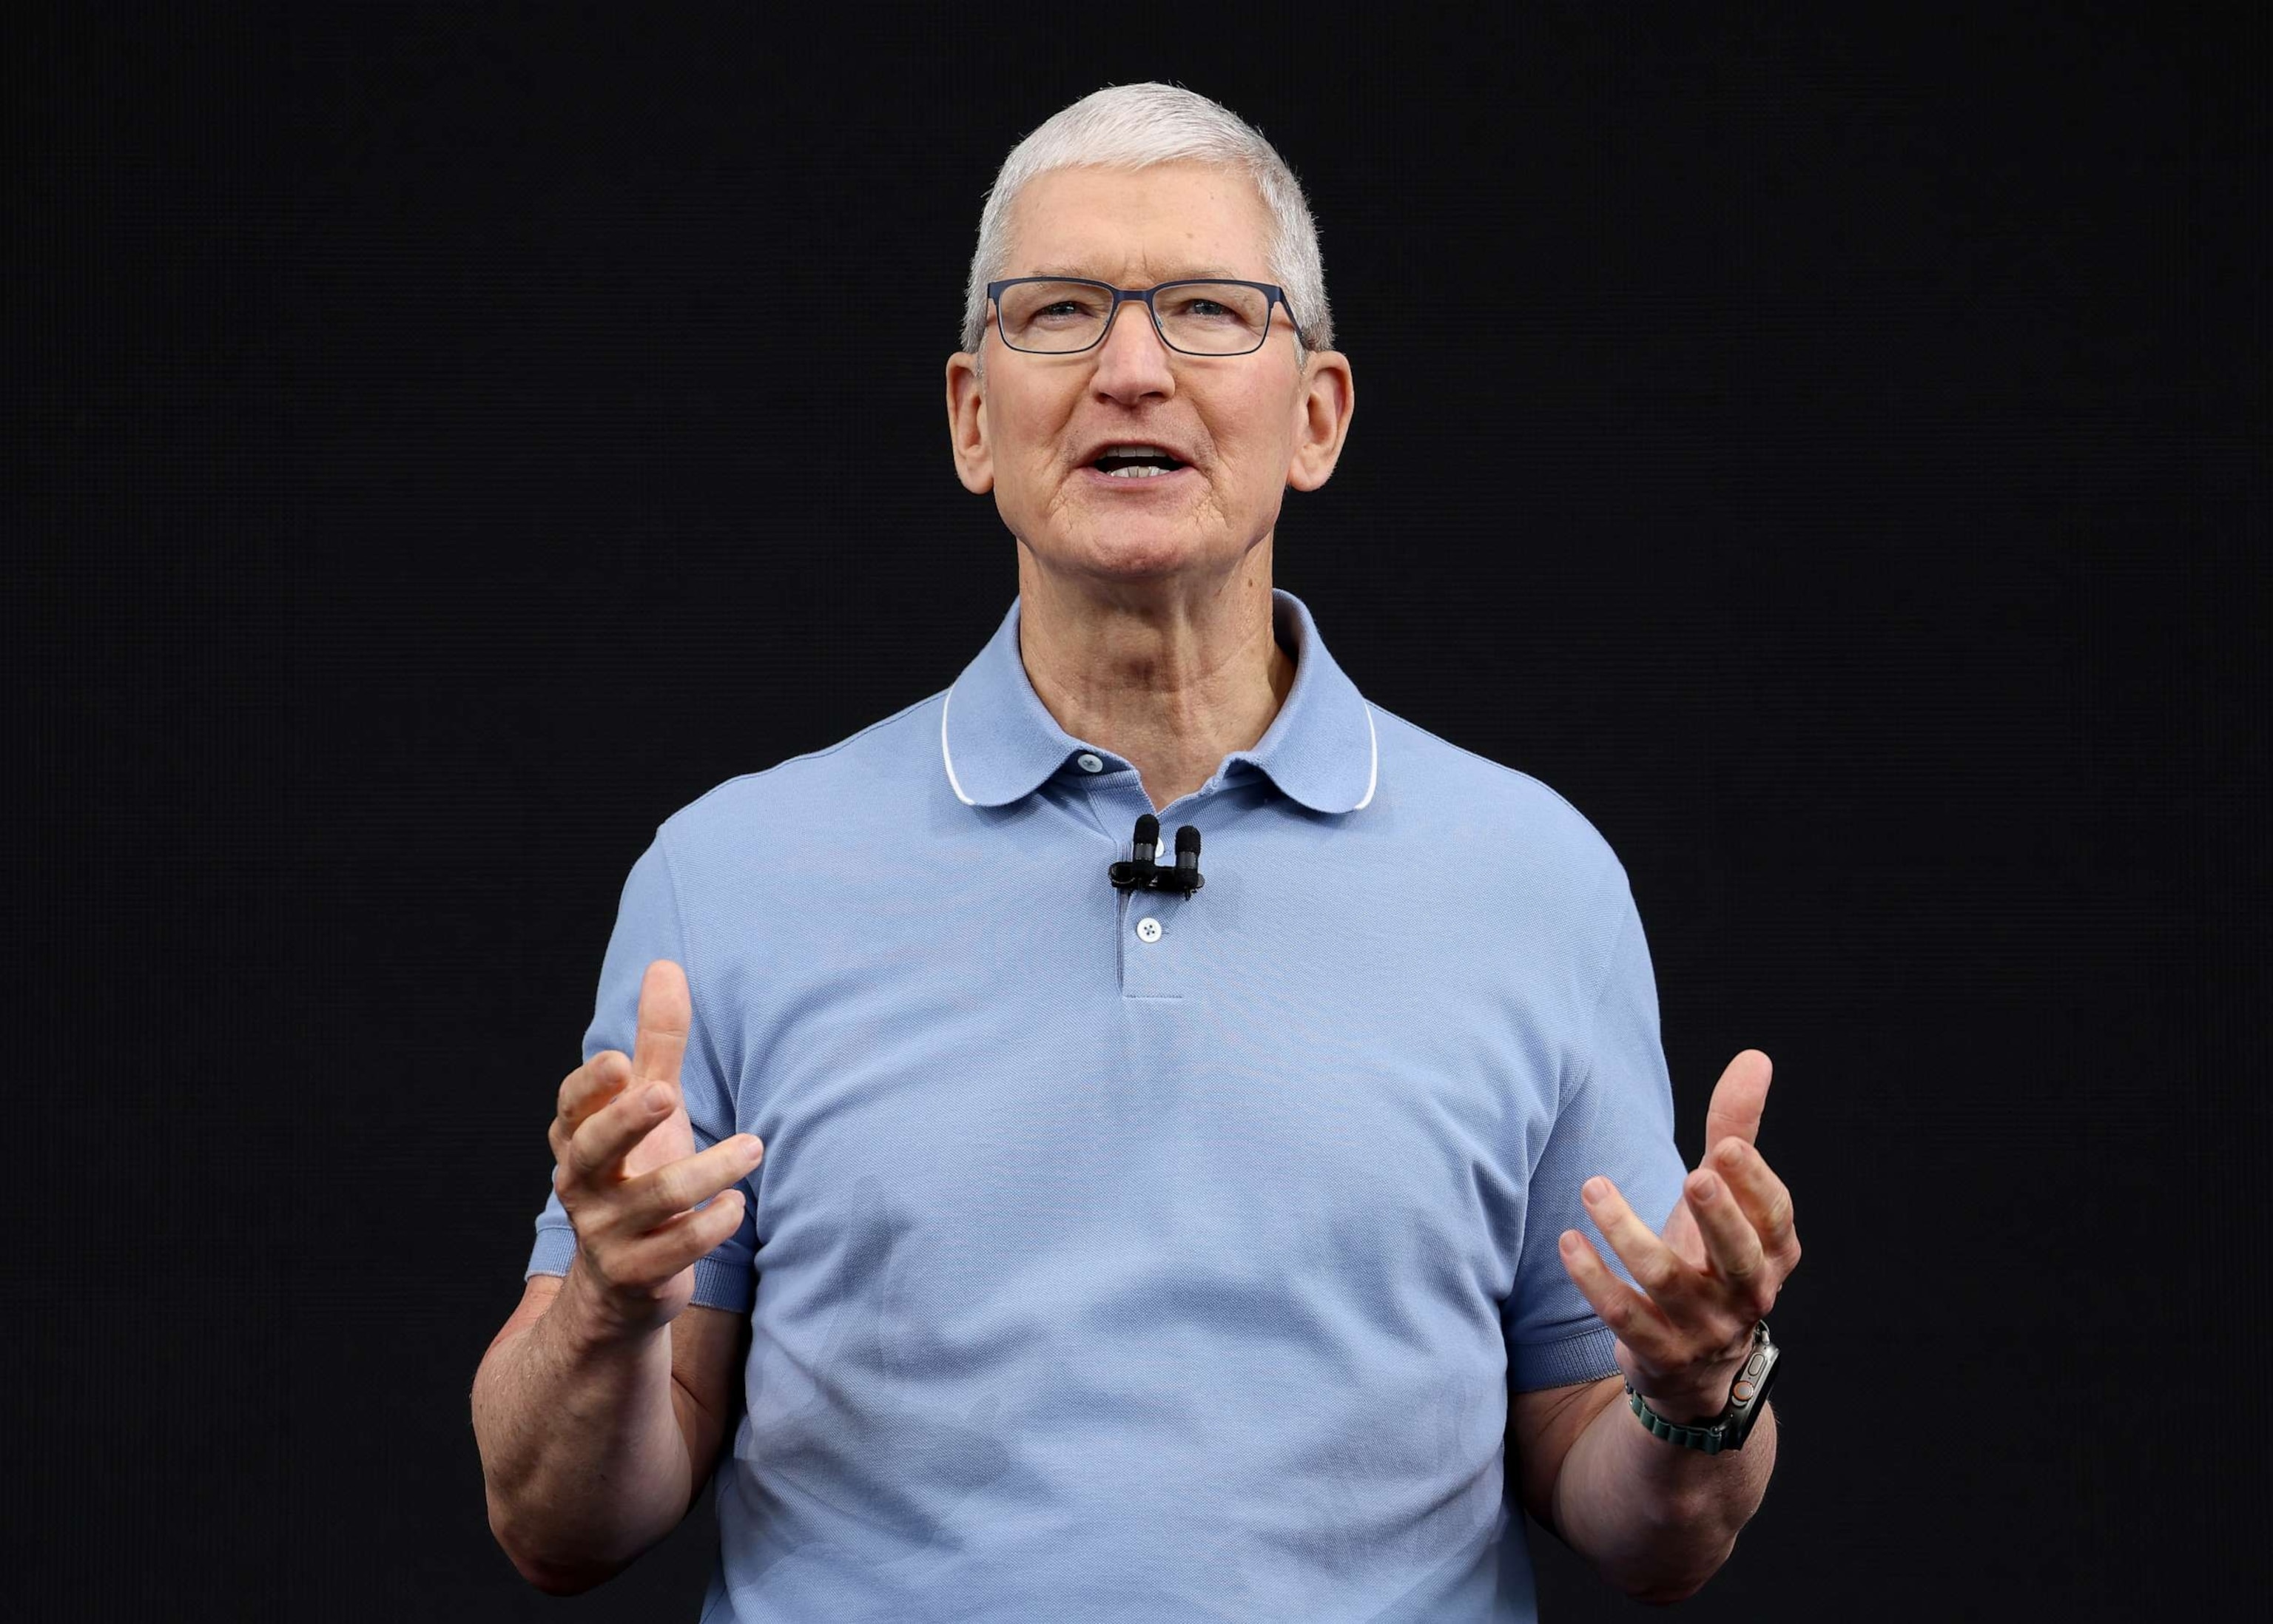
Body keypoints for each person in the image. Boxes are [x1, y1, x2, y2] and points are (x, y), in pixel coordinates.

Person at [471, 81, 1802, 1623]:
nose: (1131, 368)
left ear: (1317, 416)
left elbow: (1640, 1515)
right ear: (975, 417)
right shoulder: (730, 876)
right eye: (1060, 312)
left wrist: (1699, 1391)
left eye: (1208, 311)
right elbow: (553, 1523)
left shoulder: (1539, 881)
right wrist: (615, 1312)